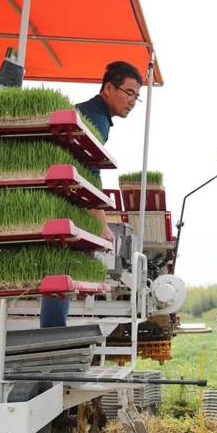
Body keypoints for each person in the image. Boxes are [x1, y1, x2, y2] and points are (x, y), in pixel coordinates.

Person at [40, 61, 143, 328]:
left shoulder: (92, 114)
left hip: (51, 200)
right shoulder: (95, 118)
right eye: (129, 92)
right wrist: (101, 223)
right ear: (108, 88)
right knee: (64, 266)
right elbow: (89, 172)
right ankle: (53, 335)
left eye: (137, 97)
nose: (132, 101)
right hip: (53, 203)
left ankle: (53, 332)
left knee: (59, 268)